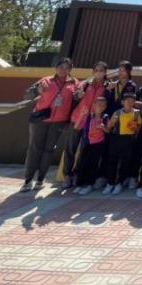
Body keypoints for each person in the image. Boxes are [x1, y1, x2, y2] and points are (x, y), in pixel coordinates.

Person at [21, 58, 78, 192]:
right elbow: (27, 95)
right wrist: (37, 91)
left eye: (67, 68)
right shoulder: (46, 80)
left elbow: (76, 101)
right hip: (40, 120)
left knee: (49, 150)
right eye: (61, 67)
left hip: (58, 122)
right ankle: (28, 180)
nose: (63, 70)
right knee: (34, 149)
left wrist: (77, 98)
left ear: (70, 70)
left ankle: (40, 179)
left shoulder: (74, 83)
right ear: (56, 68)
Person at [65, 61, 109, 189]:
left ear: (105, 72)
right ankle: (67, 175)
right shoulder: (85, 84)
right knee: (70, 148)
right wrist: (78, 96)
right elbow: (74, 97)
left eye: (101, 70)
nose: (99, 72)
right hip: (77, 119)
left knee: (84, 151)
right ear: (93, 71)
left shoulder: (107, 87)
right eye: (97, 70)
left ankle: (77, 174)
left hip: (91, 123)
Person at [103, 92, 141, 195]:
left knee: (125, 162)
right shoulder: (117, 113)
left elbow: (138, 127)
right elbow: (109, 126)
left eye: (132, 101)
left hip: (128, 139)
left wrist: (135, 127)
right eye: (127, 101)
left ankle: (119, 183)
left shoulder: (136, 113)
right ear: (122, 102)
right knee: (112, 161)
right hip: (116, 138)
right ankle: (110, 183)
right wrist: (112, 121)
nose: (130, 103)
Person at [74, 95, 109, 195]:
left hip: (99, 145)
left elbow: (108, 131)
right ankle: (80, 184)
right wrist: (81, 115)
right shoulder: (88, 116)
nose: (101, 107)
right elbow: (76, 127)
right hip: (87, 144)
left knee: (94, 164)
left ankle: (89, 184)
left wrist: (102, 127)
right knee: (83, 164)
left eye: (103, 105)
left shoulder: (105, 117)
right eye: (99, 105)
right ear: (94, 105)